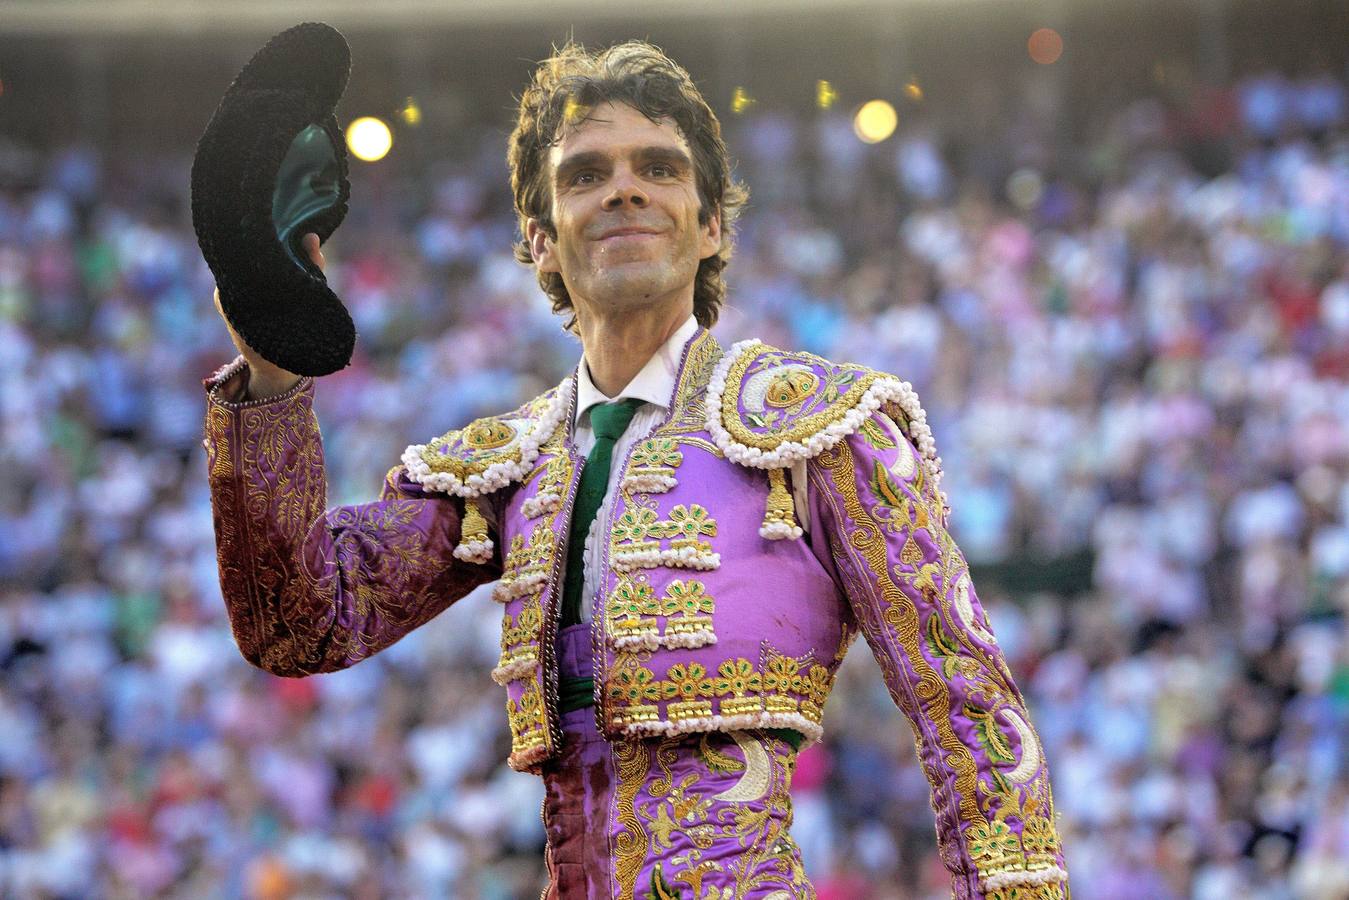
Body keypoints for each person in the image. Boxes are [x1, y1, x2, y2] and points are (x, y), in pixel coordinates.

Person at [202, 40, 1069, 900]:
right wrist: (273, 371)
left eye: (658, 167)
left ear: (709, 225)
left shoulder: (821, 428)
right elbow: (300, 621)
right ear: (540, 242)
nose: (624, 188)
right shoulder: (509, 466)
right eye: (583, 175)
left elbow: (966, 705)